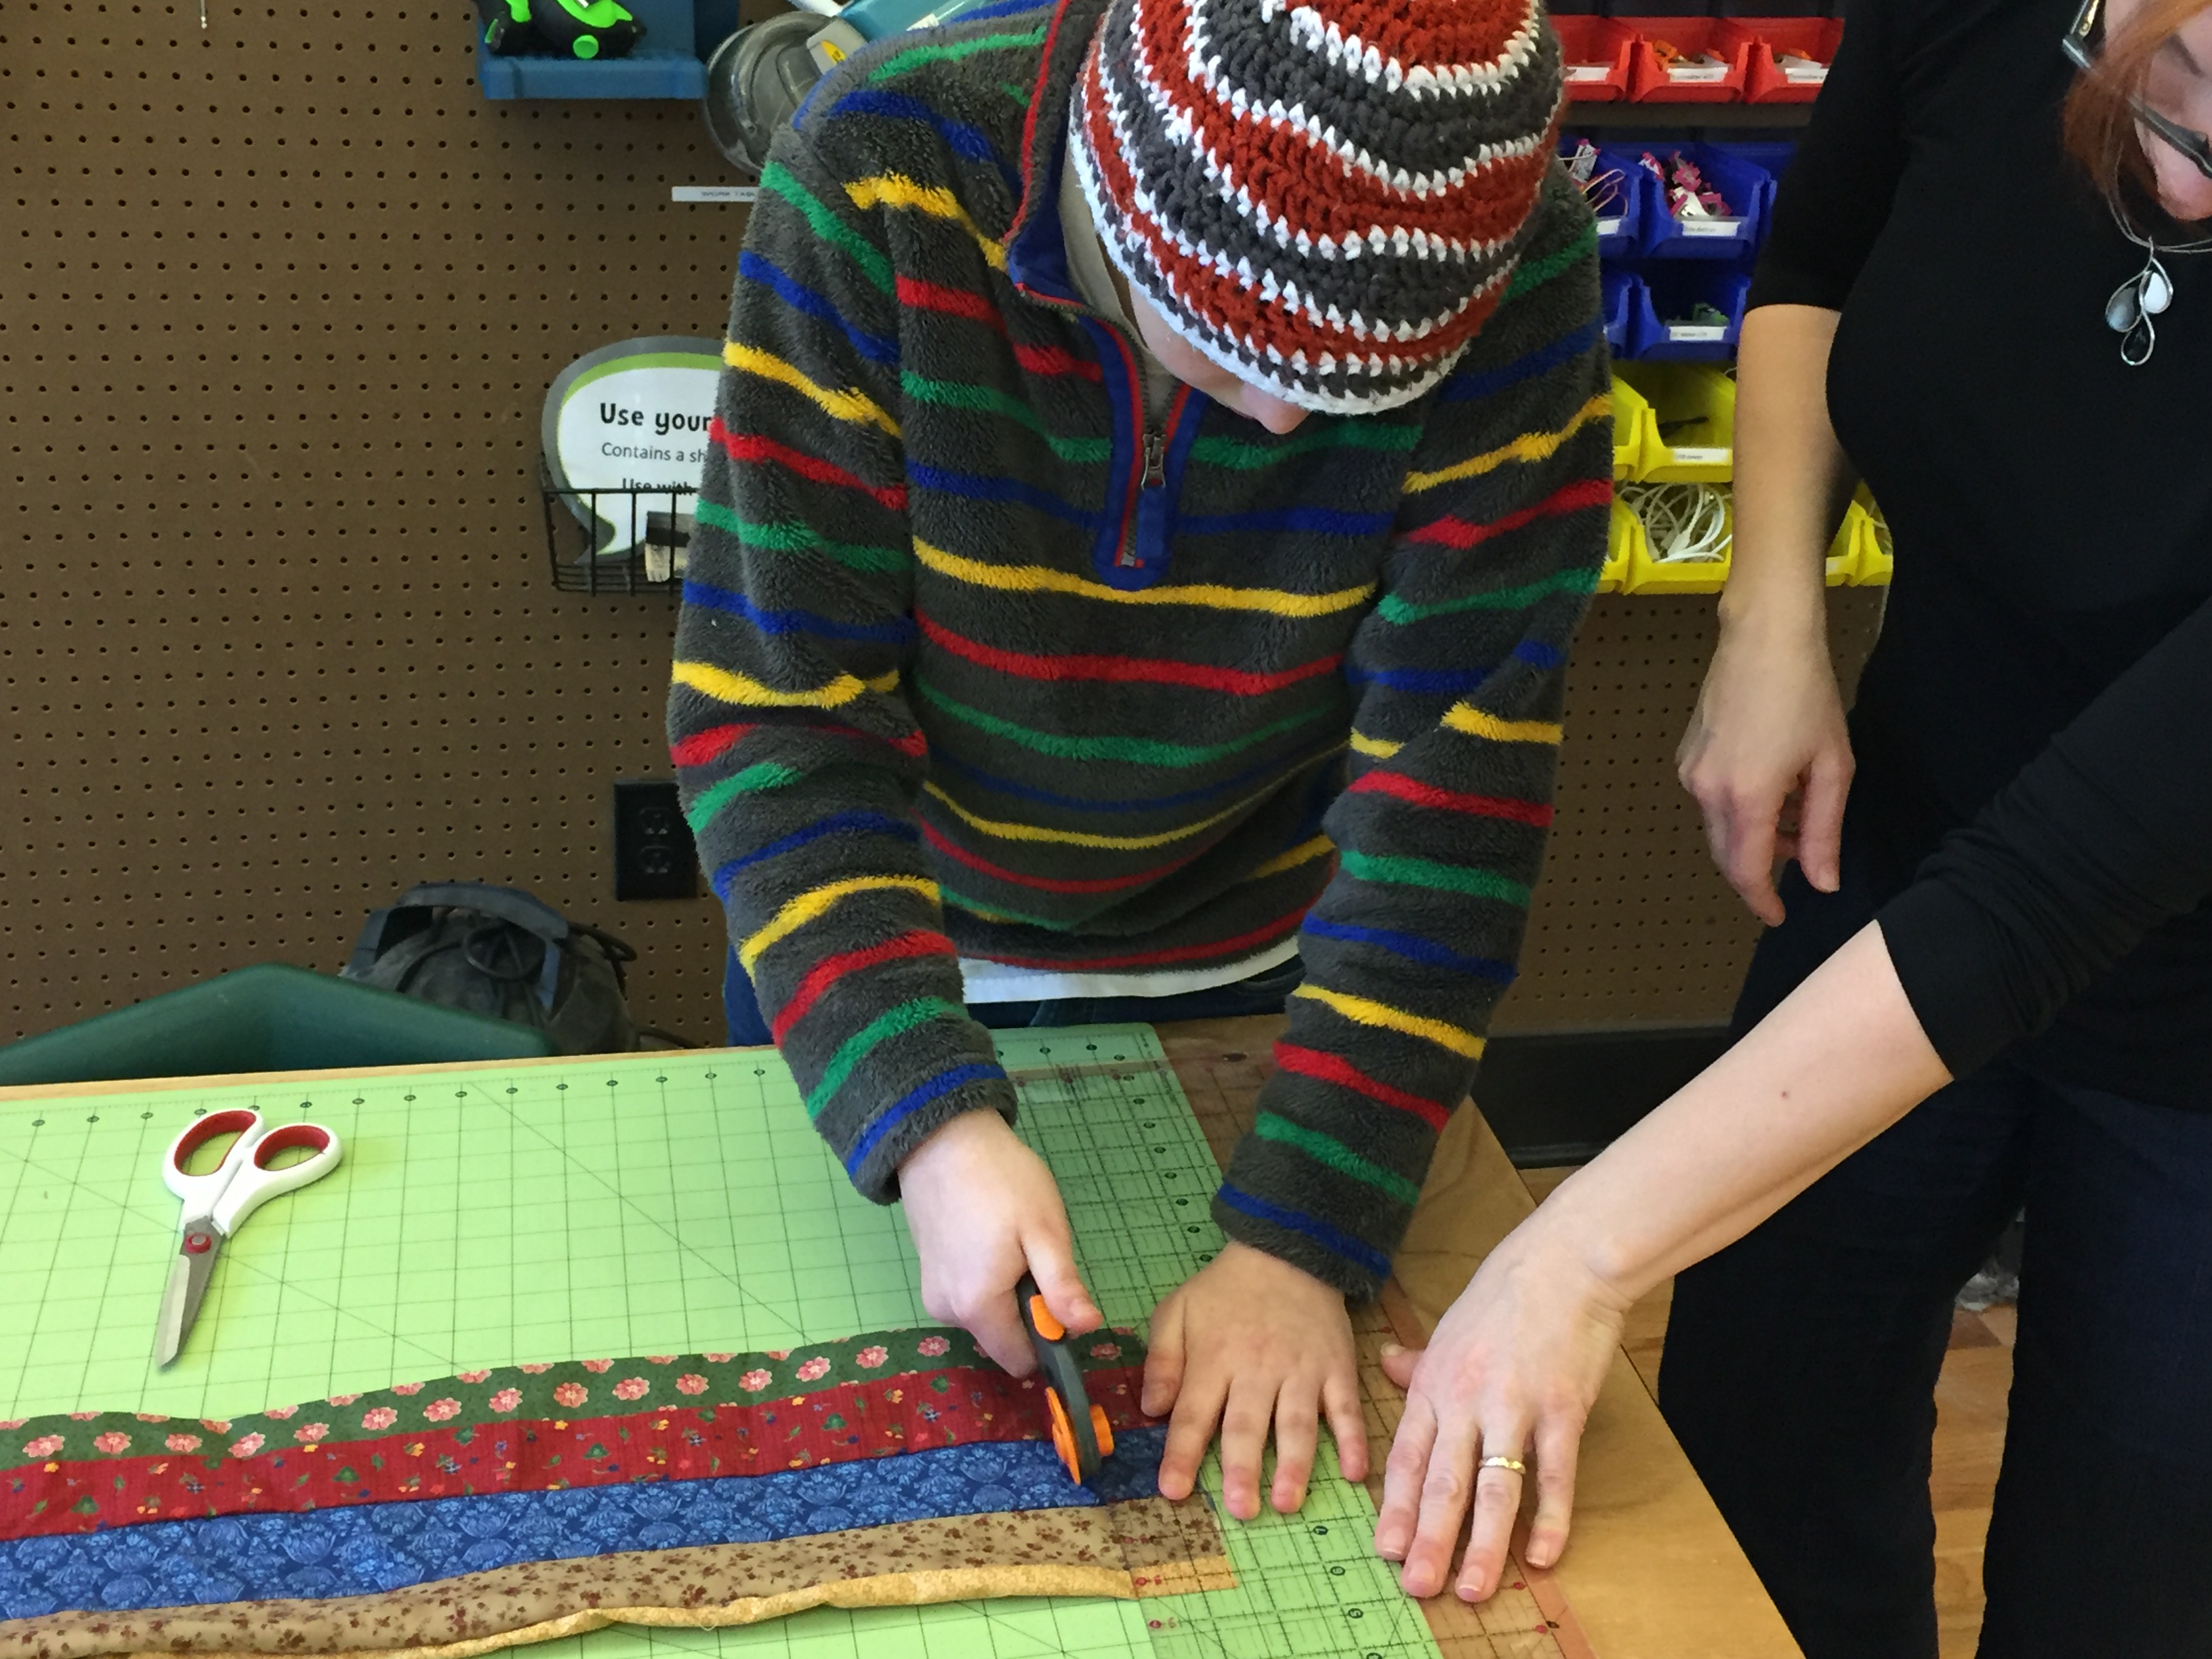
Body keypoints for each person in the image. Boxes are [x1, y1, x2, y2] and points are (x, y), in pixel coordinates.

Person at [668, 0, 1611, 1521]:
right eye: (1237, 354)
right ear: (1112, 196)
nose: (1293, 416)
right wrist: (928, 1121)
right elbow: (778, 720)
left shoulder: (1517, 253)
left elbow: (1454, 799)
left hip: (1261, 974)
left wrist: (1300, 1237)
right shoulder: (879, 167)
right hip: (888, 943)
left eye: (1368, 388)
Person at [1372, 0, 2212, 1652]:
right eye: (2173, 102)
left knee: (2128, 1584)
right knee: (1764, 1467)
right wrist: (1769, 624)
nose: (2186, 195)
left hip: (2177, 997)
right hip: (1901, 845)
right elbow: (1818, 263)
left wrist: (1571, 1257)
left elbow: (2058, 883)